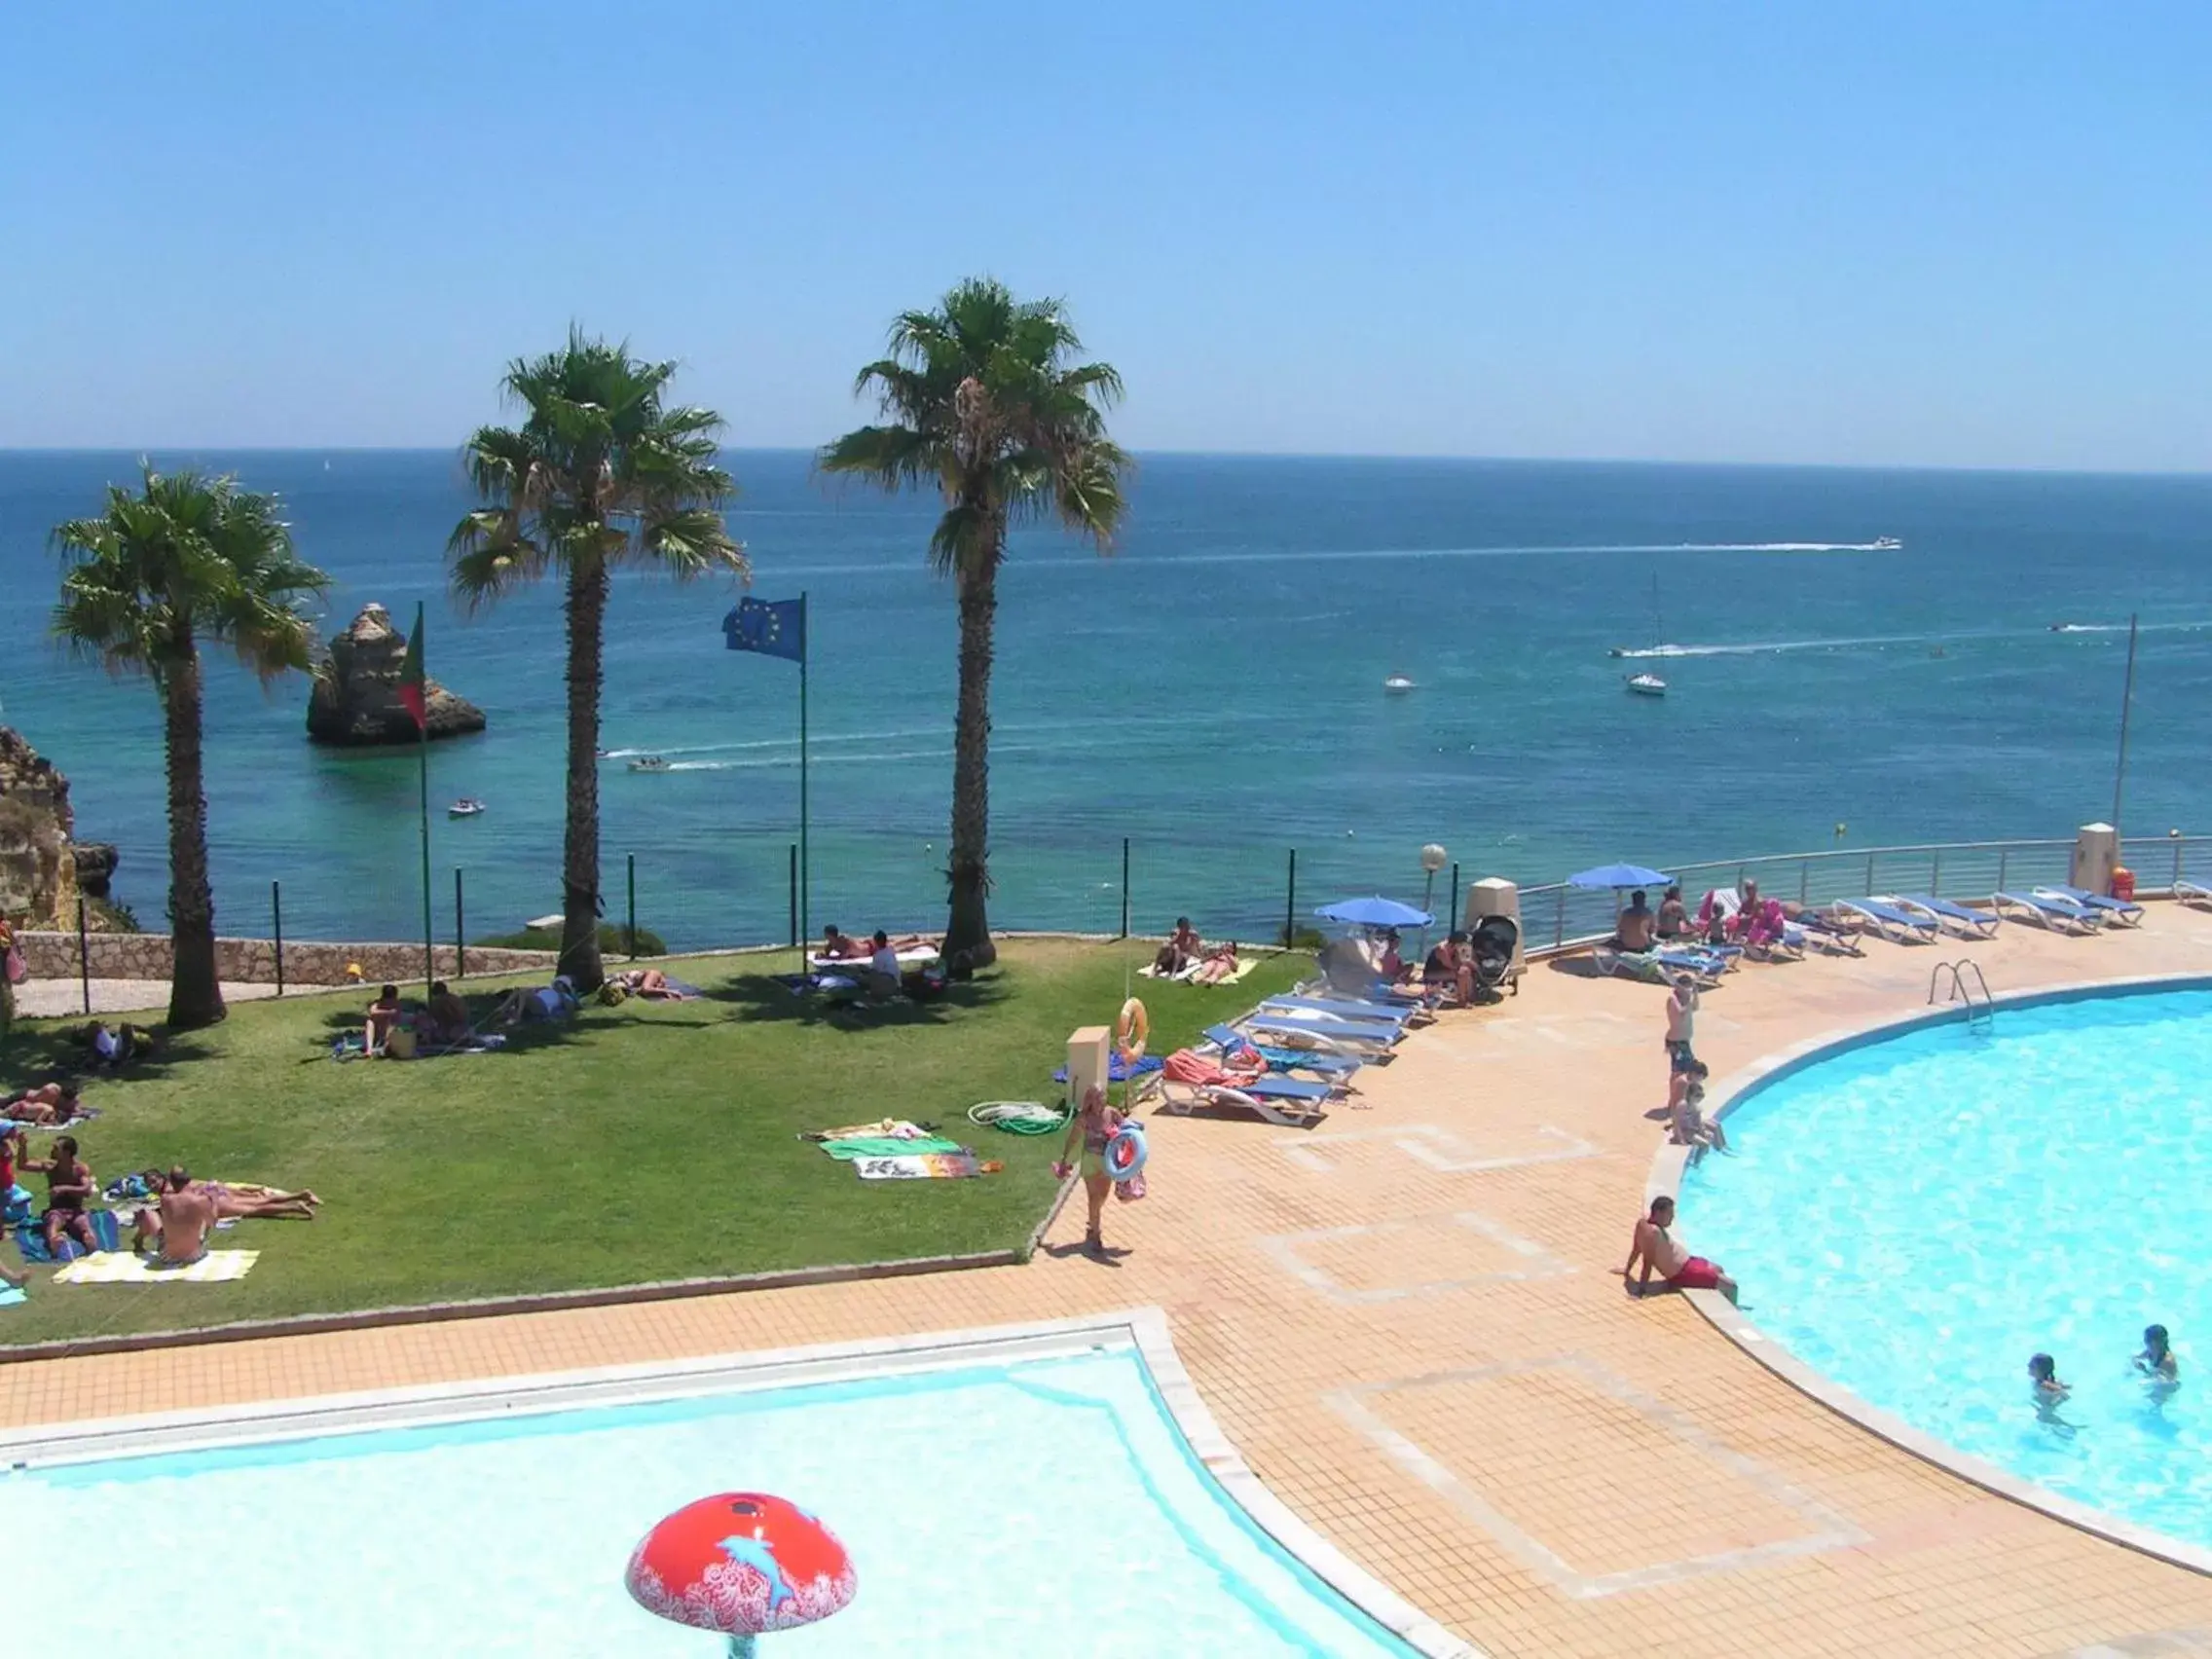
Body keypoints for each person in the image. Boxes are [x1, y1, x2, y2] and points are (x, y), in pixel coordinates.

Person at [1619, 1195, 1737, 1304]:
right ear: (1659, 1213)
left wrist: (1627, 1270)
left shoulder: (1643, 1223)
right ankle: (1734, 1313)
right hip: (1686, 1274)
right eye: (1670, 1213)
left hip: (1690, 1263)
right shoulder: (1652, 1233)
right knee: (1731, 1286)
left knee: (1719, 1269)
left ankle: (1723, 1303)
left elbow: (1636, 1249)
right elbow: (1647, 1263)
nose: (1673, 1217)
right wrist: (1641, 1292)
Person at [1053, 1085, 1124, 1255]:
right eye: (1097, 1098)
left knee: (1102, 1196)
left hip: (1107, 1161)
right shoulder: (1084, 1118)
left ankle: (1092, 1223)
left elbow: (1127, 1131)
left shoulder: (1112, 1113)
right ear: (1090, 1100)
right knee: (1093, 1197)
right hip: (1090, 1161)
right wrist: (1065, 1158)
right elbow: (1074, 1138)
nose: (1101, 1101)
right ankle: (1096, 1235)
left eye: (1103, 1097)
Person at [22, 1134, 97, 1258]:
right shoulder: (51, 1166)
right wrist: (22, 1145)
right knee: (53, 1222)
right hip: (56, 1210)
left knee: (84, 1225)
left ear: (67, 1152)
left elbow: (87, 1190)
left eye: (56, 1148)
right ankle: (54, 1242)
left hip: (75, 1210)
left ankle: (90, 1241)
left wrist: (63, 1189)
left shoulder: (80, 1169)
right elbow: (23, 1165)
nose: (52, 1151)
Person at [140, 1167, 217, 1267]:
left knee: (149, 1214)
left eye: (154, 1181)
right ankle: (198, 1241)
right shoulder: (199, 1199)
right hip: (196, 1254)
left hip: (169, 1256)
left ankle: (140, 1242)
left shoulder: (165, 1199)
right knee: (204, 1215)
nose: (151, 1186)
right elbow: (212, 1217)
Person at [1671, 1079, 1728, 1161]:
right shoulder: (1682, 1106)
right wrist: (1680, 1138)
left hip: (1692, 1129)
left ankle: (1721, 1148)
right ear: (1690, 1095)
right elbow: (1676, 1122)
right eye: (1697, 1096)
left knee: (1711, 1135)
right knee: (1705, 1144)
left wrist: (1703, 1132)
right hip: (1685, 1131)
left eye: (1700, 1096)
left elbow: (1698, 1122)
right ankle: (1696, 1164)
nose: (1699, 1099)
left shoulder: (1695, 1106)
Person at [1664, 974, 1700, 1105]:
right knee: (1678, 1072)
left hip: (1684, 1040)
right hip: (1677, 1041)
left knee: (1684, 1069)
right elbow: (1679, 1015)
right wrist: (1688, 1002)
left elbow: (1695, 1008)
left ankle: (1677, 1098)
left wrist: (1695, 994)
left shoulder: (1686, 998)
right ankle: (1673, 1099)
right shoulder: (1672, 999)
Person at [1423, 931, 1473, 1005]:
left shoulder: (1453, 948)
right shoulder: (1441, 949)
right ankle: (1462, 1000)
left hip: (1444, 972)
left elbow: (1459, 963)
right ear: (1457, 943)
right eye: (1463, 943)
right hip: (1431, 975)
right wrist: (1463, 960)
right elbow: (1451, 966)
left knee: (1467, 971)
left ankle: (1469, 997)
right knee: (1462, 973)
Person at [2, 1081, 84, 1125]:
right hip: (23, 1097)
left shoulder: (67, 1096)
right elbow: (43, 1109)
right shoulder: (51, 1091)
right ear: (62, 1096)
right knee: (3, 1103)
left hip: (28, 1103)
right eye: (65, 1101)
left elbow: (76, 1108)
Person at [424, 980, 470, 1044]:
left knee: (442, 1035)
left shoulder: (443, 1001)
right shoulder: (454, 998)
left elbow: (451, 1015)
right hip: (457, 1024)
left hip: (457, 1025)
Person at [365, 984, 404, 1053]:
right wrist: (388, 1012)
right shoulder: (378, 1003)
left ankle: (386, 1046)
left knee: (392, 1022)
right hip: (379, 1031)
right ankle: (369, 1049)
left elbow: (398, 1014)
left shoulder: (396, 1003)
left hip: (392, 1032)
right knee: (369, 1022)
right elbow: (372, 1011)